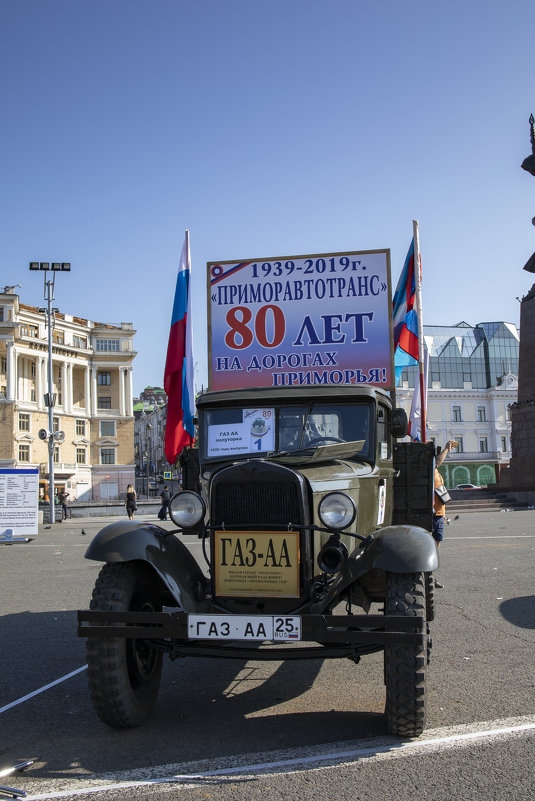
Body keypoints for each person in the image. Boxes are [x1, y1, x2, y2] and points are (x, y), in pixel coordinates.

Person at [432, 440, 457, 587]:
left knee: (436, 544)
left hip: (439, 514)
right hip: (433, 514)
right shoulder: (431, 467)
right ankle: (429, 575)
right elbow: (437, 461)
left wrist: (444, 514)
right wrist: (447, 449)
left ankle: (431, 575)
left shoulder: (436, 473)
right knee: (432, 545)